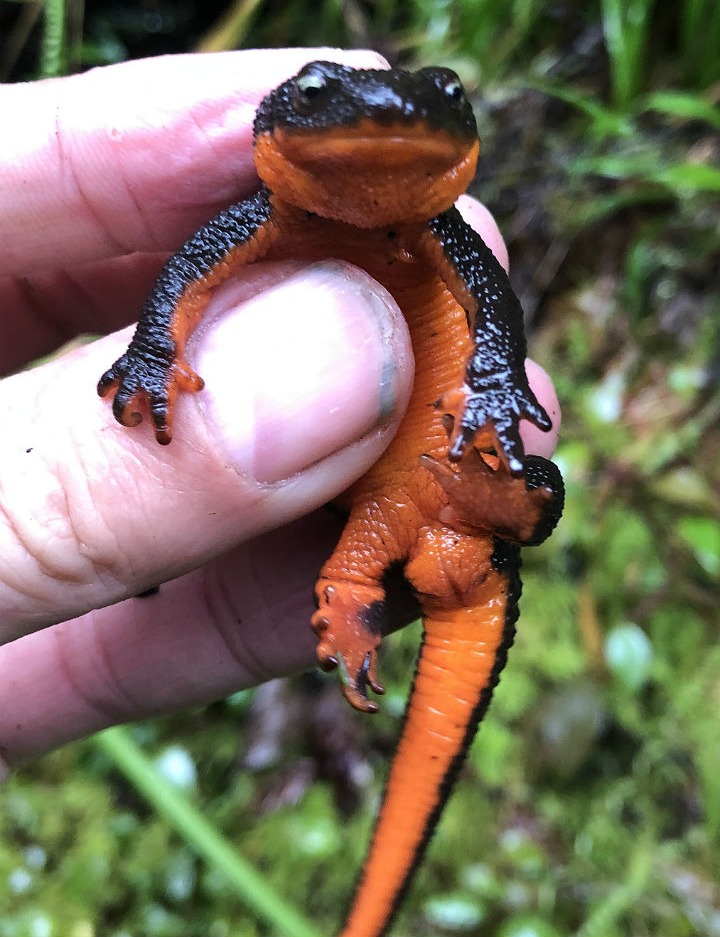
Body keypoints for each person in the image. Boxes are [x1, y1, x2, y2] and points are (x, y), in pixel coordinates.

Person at [0, 47, 560, 777]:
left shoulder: (441, 230)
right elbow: (185, 279)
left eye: (439, 100)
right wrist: (151, 357)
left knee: (509, 490)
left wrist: (492, 376)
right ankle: (356, 593)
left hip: (453, 507)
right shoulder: (266, 216)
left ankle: (383, 575)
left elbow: (493, 308)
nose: (385, 120)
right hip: (382, 499)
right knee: (368, 542)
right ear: (271, 134)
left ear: (464, 150)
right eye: (320, 94)